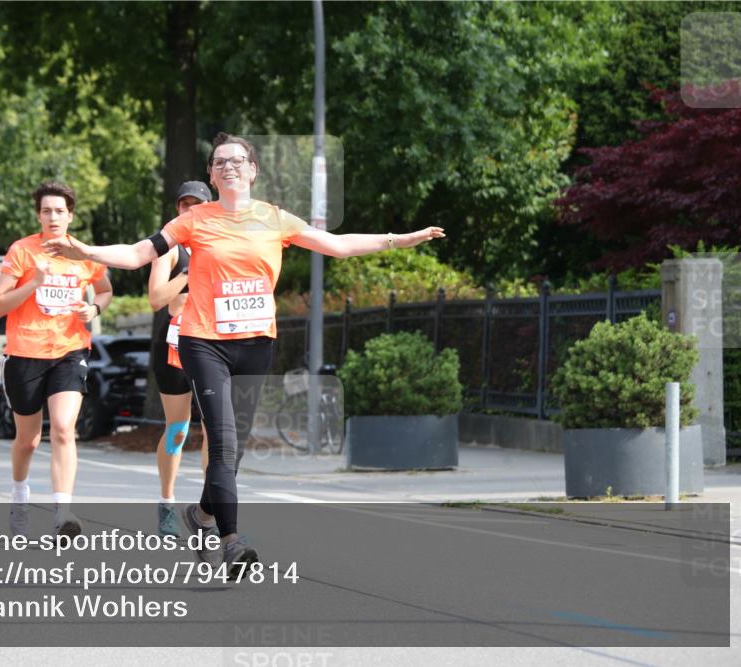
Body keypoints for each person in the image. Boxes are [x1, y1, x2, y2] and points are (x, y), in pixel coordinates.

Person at [44, 133, 445, 576]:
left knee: (232, 454)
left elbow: (339, 245)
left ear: (253, 170)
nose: (229, 166)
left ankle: (200, 516)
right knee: (224, 440)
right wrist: (85, 251)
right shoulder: (194, 220)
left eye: (237, 160)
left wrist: (400, 239)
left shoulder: (274, 219)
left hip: (256, 343)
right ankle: (231, 542)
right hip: (204, 342)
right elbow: (140, 253)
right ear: (213, 176)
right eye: (219, 162)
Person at [0, 181, 113, 538]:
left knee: (62, 428)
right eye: (46, 211)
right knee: (27, 440)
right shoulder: (22, 252)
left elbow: (105, 290)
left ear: (70, 215)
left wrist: (93, 307)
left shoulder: (82, 253)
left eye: (60, 211)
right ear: (39, 215)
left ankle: (63, 512)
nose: (53, 216)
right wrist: (33, 284)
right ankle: (19, 496)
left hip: (69, 351)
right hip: (24, 354)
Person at [149, 182, 211, 537]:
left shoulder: (221, 243)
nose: (189, 211)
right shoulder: (168, 247)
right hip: (173, 344)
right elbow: (156, 298)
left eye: (196, 205)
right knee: (178, 429)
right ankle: (167, 502)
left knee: (215, 432)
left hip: (212, 342)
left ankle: (208, 509)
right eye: (183, 205)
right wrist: (188, 274)